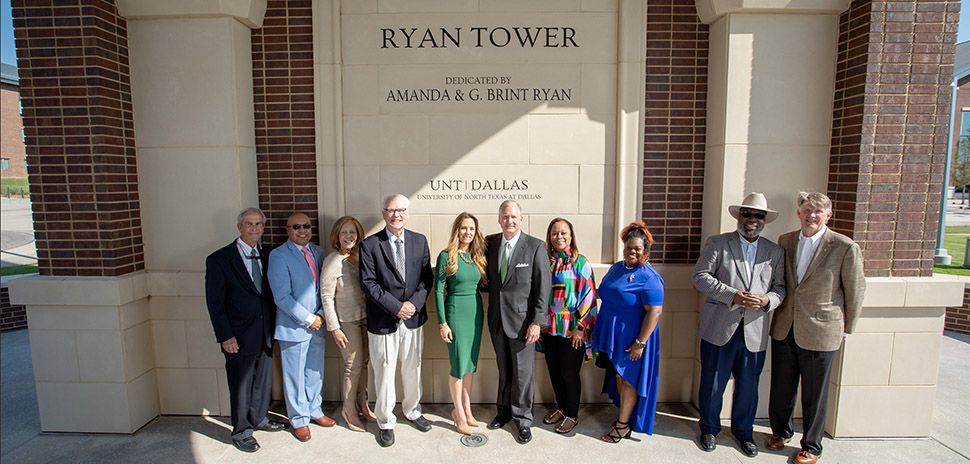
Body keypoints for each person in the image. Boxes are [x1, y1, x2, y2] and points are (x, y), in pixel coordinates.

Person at [766, 192, 865, 464]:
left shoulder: (844, 246)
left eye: (818, 212)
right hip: (786, 325)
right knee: (782, 387)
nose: (812, 216)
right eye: (807, 210)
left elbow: (855, 290)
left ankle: (812, 445)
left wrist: (847, 329)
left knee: (815, 393)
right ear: (798, 213)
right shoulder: (785, 241)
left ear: (828, 216)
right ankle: (780, 433)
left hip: (822, 330)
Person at [692, 192, 786, 457]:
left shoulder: (774, 251)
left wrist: (767, 300)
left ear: (765, 220)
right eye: (747, 214)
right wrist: (731, 295)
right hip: (719, 327)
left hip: (754, 330)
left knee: (748, 386)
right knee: (712, 383)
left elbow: (780, 287)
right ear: (739, 216)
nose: (752, 220)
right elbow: (700, 277)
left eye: (758, 216)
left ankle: (743, 432)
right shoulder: (719, 243)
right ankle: (709, 428)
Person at [204, 207, 286, 453]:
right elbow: (215, 303)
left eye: (258, 224)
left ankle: (259, 418)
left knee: (262, 379)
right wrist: (225, 335)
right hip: (237, 335)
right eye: (249, 224)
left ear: (263, 228)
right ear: (239, 227)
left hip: (265, 331)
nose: (254, 228)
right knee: (240, 384)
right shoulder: (219, 259)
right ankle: (241, 431)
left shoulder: (269, 255)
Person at [359, 194, 434, 447]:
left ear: (407, 213)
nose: (396, 215)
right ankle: (385, 421)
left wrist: (413, 305)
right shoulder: (370, 245)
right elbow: (368, 283)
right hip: (383, 319)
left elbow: (426, 278)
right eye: (391, 211)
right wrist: (396, 307)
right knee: (384, 371)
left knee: (413, 367)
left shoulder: (419, 241)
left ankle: (413, 411)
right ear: (383, 214)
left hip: (413, 317)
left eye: (401, 210)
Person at [484, 199, 551, 444]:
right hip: (497, 319)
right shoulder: (489, 243)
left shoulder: (534, 246)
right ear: (499, 218)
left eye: (513, 217)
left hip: (524, 323)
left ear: (521, 219)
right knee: (504, 369)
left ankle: (523, 419)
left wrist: (537, 322)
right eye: (504, 216)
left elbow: (543, 288)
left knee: (523, 373)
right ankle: (503, 412)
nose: (509, 221)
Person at [591, 221, 664, 442]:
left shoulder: (649, 277)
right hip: (614, 334)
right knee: (620, 377)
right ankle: (624, 417)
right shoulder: (618, 268)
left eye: (637, 249)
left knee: (629, 378)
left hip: (633, 338)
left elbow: (655, 312)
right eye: (628, 247)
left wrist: (640, 343)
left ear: (646, 251)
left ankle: (623, 425)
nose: (632, 251)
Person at [268, 212, 335, 443]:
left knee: (315, 372)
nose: (302, 230)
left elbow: (326, 289)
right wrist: (309, 318)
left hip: (319, 323)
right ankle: (299, 420)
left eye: (306, 225)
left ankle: (315, 410)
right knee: (294, 376)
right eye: (296, 226)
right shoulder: (278, 256)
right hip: (294, 327)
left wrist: (320, 315)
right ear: (288, 230)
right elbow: (282, 296)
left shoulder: (319, 252)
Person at [538, 217, 598, 434]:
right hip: (550, 326)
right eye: (555, 233)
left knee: (569, 372)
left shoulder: (580, 263)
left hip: (572, 328)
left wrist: (580, 327)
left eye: (563, 232)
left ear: (571, 236)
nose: (559, 237)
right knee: (554, 370)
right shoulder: (546, 261)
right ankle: (561, 407)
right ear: (549, 237)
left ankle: (572, 414)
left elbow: (589, 297)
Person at [320, 216, 377, 433]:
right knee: (352, 366)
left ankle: (363, 404)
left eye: (352, 232)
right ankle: (349, 410)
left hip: (365, 318)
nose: (348, 236)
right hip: (346, 321)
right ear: (337, 235)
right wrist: (334, 328)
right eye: (344, 232)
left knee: (364, 363)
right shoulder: (333, 261)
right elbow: (326, 296)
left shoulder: (359, 256)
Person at [435, 212, 487, 435]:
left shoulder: (477, 256)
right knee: (458, 365)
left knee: (470, 365)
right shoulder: (446, 256)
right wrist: (442, 323)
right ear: (457, 230)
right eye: (464, 228)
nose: (468, 232)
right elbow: (437, 290)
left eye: (472, 229)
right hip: (455, 312)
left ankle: (467, 408)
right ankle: (457, 413)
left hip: (475, 313)